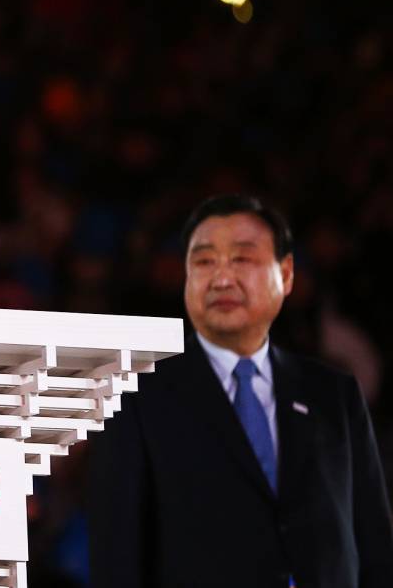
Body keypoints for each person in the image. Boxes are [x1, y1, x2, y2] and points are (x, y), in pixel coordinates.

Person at [87, 195, 393, 588]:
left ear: (285, 275)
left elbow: (374, 546)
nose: (222, 278)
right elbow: (116, 559)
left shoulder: (334, 394)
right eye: (204, 261)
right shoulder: (139, 395)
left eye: (242, 259)